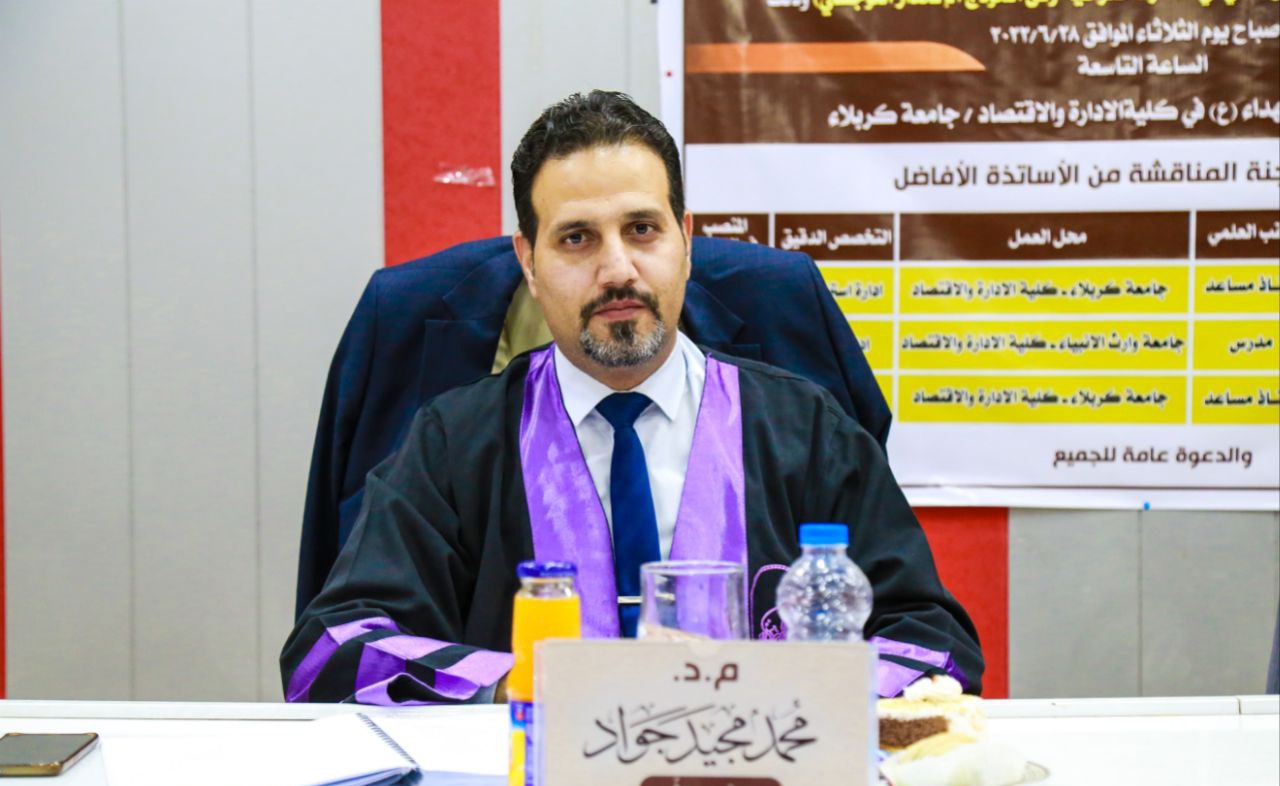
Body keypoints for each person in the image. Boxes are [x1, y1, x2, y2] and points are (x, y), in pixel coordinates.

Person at [281, 91, 982, 705]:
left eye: (642, 229)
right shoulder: (453, 442)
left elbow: (931, 645)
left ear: (686, 239)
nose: (617, 269)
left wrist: (775, 687)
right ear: (529, 262)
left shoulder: (806, 430)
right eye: (577, 238)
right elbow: (331, 648)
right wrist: (522, 685)